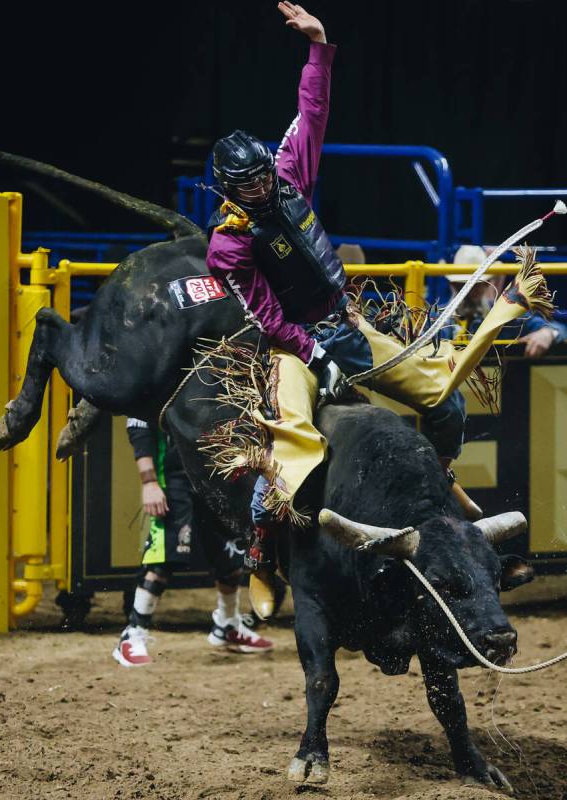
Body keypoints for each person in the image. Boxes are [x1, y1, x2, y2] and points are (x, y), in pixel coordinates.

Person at [205, 3, 550, 618]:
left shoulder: (291, 176)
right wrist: (314, 355)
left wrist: (320, 48)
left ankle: (439, 480)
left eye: (263, 177)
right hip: (293, 346)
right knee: (292, 448)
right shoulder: (229, 244)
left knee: (447, 401)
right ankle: (260, 551)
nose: (261, 187)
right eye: (249, 183)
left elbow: (312, 113)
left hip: (348, 324)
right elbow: (264, 316)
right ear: (230, 188)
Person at [112, 418, 273, 666]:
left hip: (216, 473)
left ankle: (227, 625)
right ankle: (132, 633)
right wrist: (149, 482)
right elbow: (138, 423)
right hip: (175, 476)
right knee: (164, 556)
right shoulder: (163, 379)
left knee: (231, 556)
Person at [445, 245, 567, 356]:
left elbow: (557, 328)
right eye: (464, 284)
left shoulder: (505, 315)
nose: (473, 289)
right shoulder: (438, 320)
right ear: (454, 285)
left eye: (479, 283)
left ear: (487, 284)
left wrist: (547, 333)